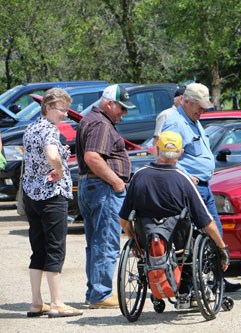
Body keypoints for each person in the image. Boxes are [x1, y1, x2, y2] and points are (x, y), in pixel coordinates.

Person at [119, 131, 230, 308]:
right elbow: (205, 220)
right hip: (178, 243)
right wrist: (221, 246)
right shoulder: (183, 180)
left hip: (147, 239)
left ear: (156, 149)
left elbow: (124, 218)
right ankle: (187, 290)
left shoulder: (139, 176)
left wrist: (133, 238)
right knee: (191, 244)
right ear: (181, 153)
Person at [161, 82, 241, 292]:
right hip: (190, 189)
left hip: (203, 188)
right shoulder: (176, 124)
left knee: (215, 231)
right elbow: (168, 156)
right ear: (186, 101)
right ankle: (189, 284)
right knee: (188, 237)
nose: (203, 111)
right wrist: (186, 177)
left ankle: (217, 279)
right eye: (200, 107)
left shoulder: (192, 120)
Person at [22, 88, 83, 318]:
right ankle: (57, 302)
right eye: (61, 109)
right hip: (51, 195)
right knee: (55, 247)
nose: (65, 114)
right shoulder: (49, 130)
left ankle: (36, 302)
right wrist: (58, 168)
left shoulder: (31, 128)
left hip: (31, 194)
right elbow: (51, 154)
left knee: (37, 248)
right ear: (47, 108)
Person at [76, 84, 135, 309]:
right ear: (109, 104)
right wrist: (117, 182)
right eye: (121, 107)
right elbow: (93, 157)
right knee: (106, 242)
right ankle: (101, 294)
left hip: (91, 186)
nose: (124, 112)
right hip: (103, 188)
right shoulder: (101, 123)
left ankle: (94, 292)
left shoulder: (90, 119)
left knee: (95, 242)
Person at [152, 86, 186, 153]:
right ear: (181, 99)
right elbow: (156, 140)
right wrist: (158, 160)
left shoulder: (188, 116)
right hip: (168, 157)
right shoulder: (166, 115)